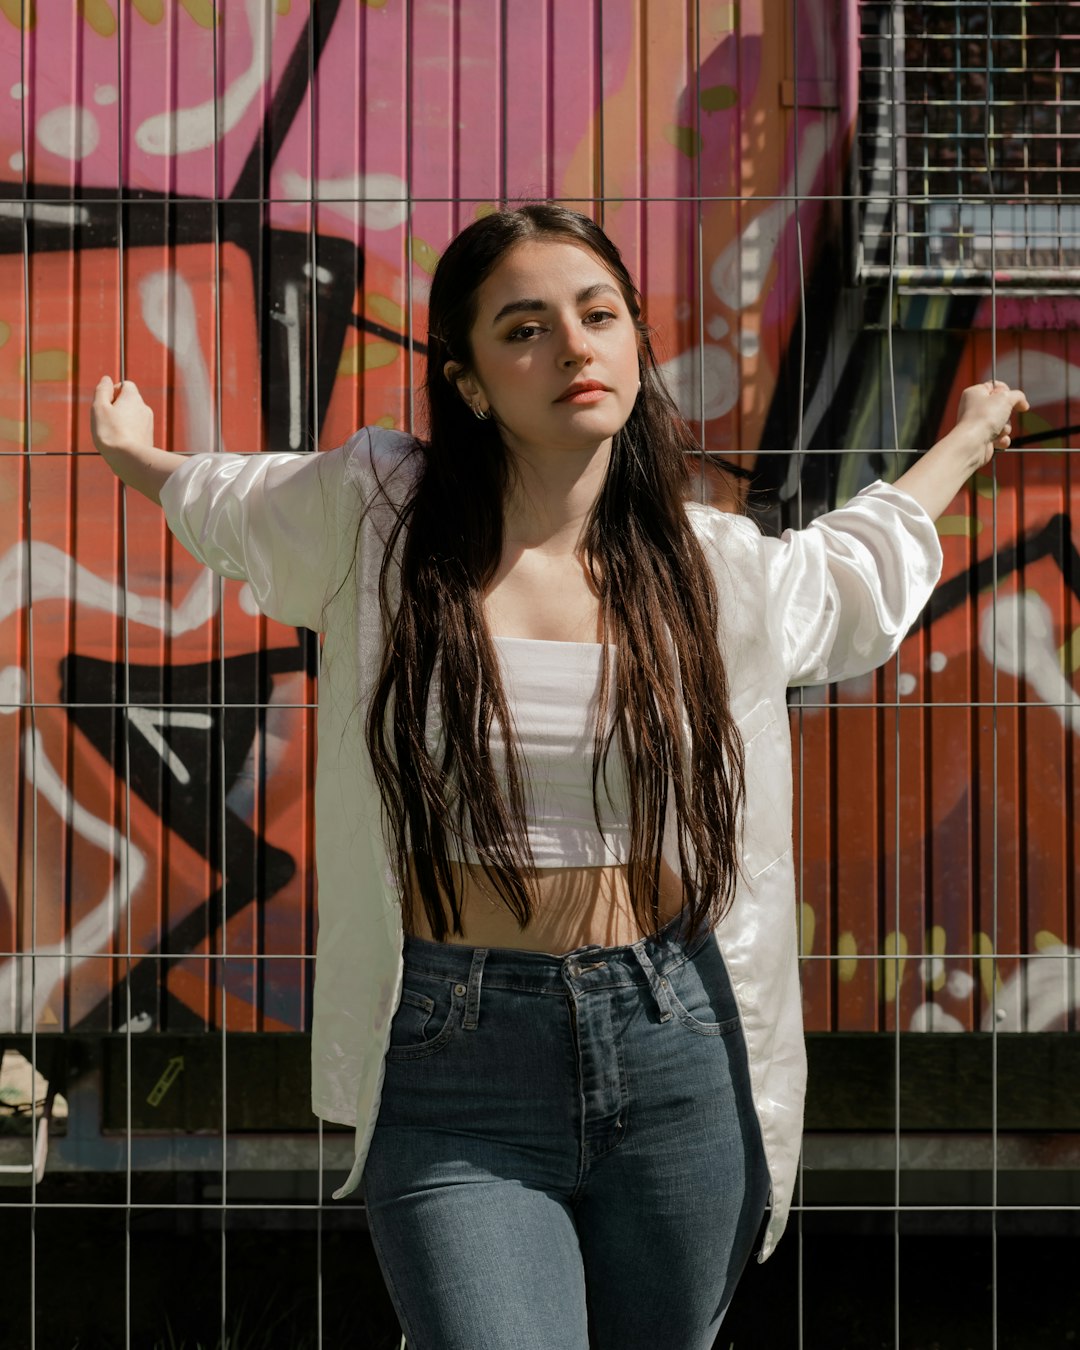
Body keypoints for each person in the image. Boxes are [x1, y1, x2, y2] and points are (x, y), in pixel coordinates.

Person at [90, 203, 1028, 1350]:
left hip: (676, 1041)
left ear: (636, 342)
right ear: (471, 381)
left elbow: (855, 572)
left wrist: (971, 436)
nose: (574, 347)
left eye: (599, 316)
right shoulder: (381, 519)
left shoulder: (707, 567)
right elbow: (231, 502)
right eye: (524, 328)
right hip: (453, 1057)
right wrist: (135, 455)